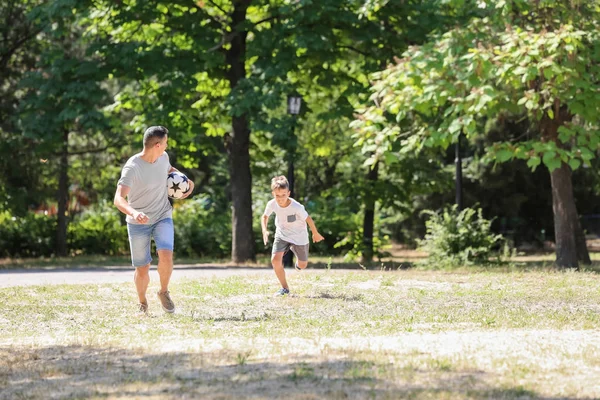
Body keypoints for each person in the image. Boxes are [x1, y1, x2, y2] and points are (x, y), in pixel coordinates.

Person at [114, 126, 194, 313]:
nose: (167, 146)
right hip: (138, 222)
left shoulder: (163, 157)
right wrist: (134, 213)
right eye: (165, 142)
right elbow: (118, 198)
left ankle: (163, 291)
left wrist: (187, 183)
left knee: (166, 255)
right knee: (143, 268)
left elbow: (171, 171)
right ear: (157, 145)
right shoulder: (132, 167)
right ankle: (142, 302)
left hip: (162, 215)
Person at [261, 175, 324, 296]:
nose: (280, 198)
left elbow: (308, 219)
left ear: (288, 193)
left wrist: (315, 233)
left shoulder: (297, 207)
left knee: (303, 264)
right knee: (275, 260)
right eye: (277, 195)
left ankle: (298, 264)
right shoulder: (272, 204)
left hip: (299, 237)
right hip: (282, 235)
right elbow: (264, 217)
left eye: (283, 195)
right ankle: (285, 288)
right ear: (273, 193)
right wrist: (264, 230)